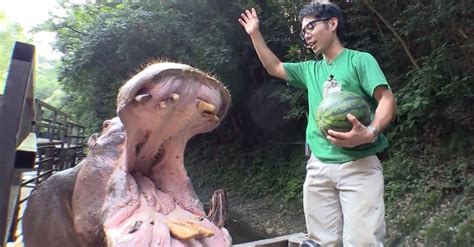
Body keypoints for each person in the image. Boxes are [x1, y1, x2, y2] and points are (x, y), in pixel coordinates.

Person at [239, 1, 397, 246]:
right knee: (322, 243)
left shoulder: (360, 60)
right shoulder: (310, 69)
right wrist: (255, 34)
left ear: (332, 24)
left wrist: (370, 132)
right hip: (318, 168)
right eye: (303, 31)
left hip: (359, 167)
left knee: (364, 242)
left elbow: (386, 99)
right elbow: (275, 67)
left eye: (310, 27)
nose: (307, 35)